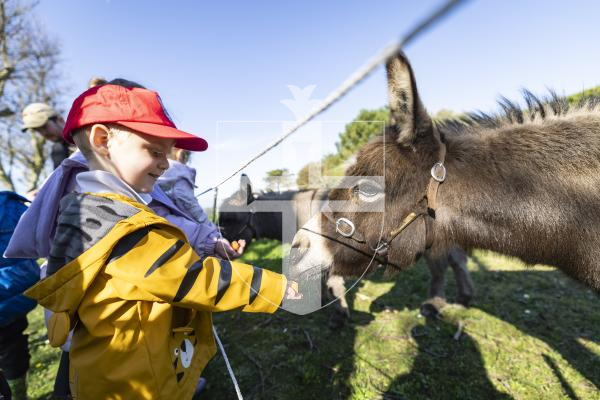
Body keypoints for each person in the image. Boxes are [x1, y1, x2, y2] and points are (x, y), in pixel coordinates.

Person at [23, 83, 301, 399]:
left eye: (166, 152)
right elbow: (194, 278)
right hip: (135, 380)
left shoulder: (81, 208)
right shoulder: (123, 227)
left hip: (101, 367)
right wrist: (272, 288)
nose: (165, 163)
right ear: (103, 141)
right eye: (155, 151)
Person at [0, 192, 39, 400]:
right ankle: (19, 394)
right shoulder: (10, 205)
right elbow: (39, 234)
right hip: (15, 296)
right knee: (14, 348)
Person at [21, 103, 71, 169]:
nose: (43, 133)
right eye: (37, 130)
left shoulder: (86, 137)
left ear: (60, 120)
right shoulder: (58, 151)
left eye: (44, 126)